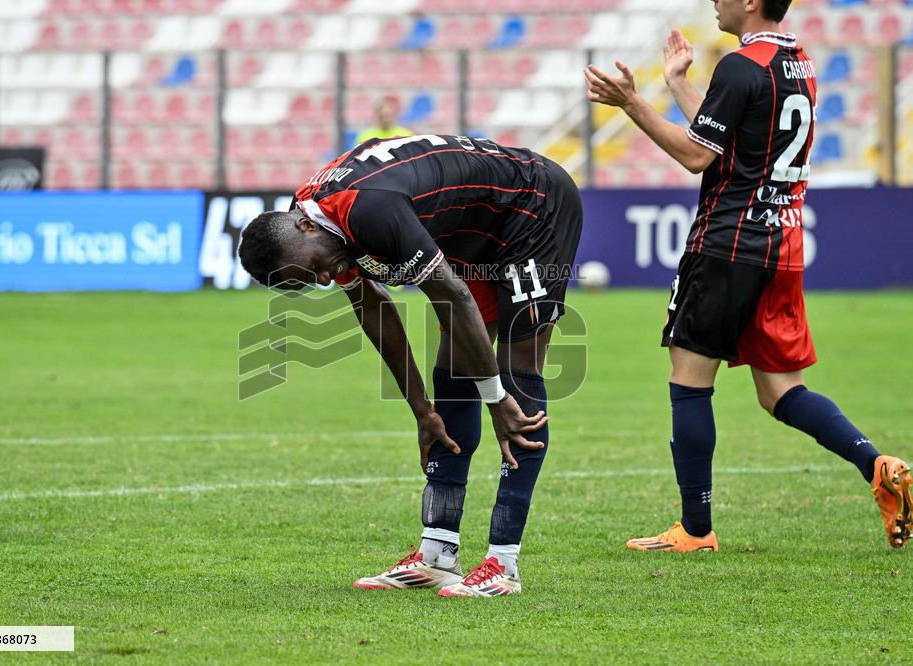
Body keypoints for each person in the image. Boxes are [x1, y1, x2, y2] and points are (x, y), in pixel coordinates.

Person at [585, 0, 911, 552]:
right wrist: (678, 83)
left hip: (727, 244)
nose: (716, 0)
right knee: (781, 391)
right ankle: (877, 466)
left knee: (690, 380)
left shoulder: (740, 65)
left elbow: (698, 156)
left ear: (752, 2)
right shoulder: (797, 62)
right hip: (781, 243)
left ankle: (695, 530)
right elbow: (729, 138)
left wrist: (631, 102)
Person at [238, 134, 583, 595]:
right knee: (454, 370)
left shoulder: (366, 209)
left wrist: (496, 398)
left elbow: (453, 296)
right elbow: (373, 306)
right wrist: (421, 409)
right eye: (313, 282)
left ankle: (504, 563)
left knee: (518, 373)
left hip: (532, 203)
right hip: (474, 226)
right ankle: (438, 553)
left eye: (317, 267)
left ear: (303, 229)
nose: (325, 278)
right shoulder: (317, 223)